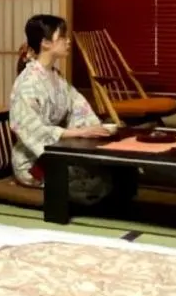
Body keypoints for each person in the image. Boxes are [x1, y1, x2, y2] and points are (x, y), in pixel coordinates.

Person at [10, 14, 115, 203]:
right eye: (62, 37)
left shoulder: (56, 76)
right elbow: (33, 130)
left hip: (57, 151)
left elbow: (78, 106)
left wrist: (93, 130)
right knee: (96, 183)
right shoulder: (26, 83)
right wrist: (78, 132)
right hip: (35, 160)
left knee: (112, 173)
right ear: (45, 43)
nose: (68, 41)